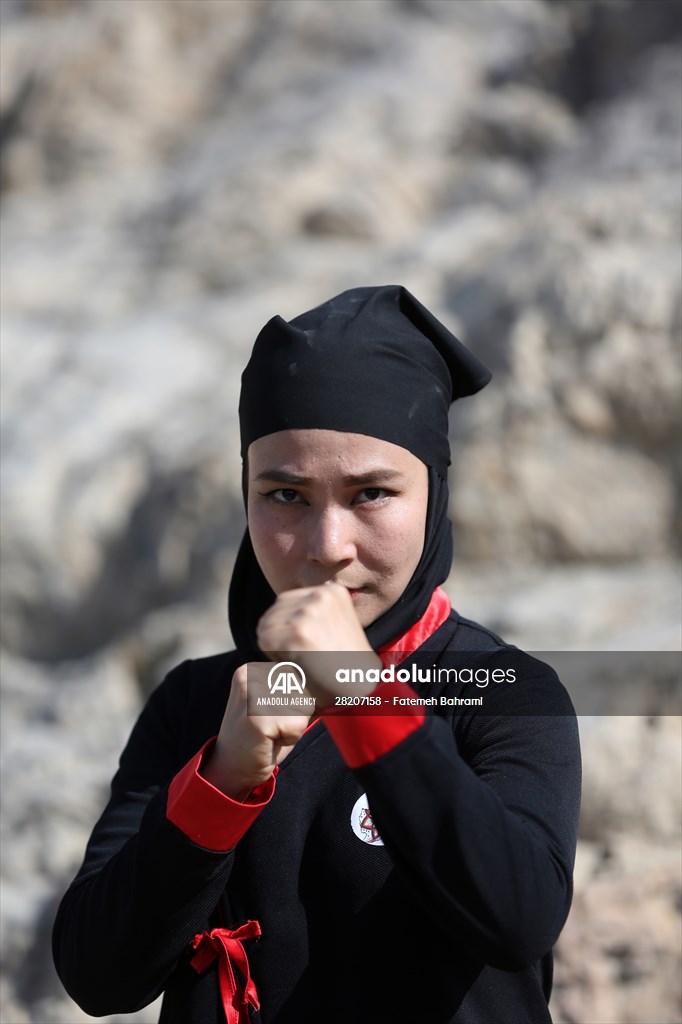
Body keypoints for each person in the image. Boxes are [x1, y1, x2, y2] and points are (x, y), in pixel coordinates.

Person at [52, 285, 581, 1024]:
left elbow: (520, 917)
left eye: (371, 493)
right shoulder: (198, 702)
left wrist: (367, 703)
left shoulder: (502, 691)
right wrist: (221, 782)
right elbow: (97, 975)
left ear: (434, 494)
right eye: (286, 496)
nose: (328, 548)